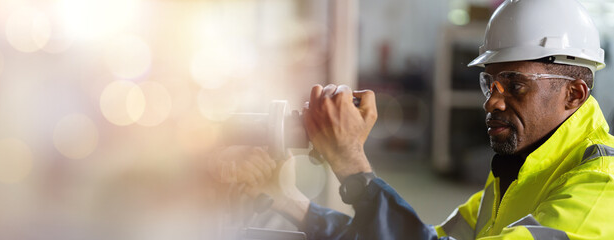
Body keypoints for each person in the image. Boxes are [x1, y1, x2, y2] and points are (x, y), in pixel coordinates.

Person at [219, 0, 614, 239]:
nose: (492, 102)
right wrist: (289, 201)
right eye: (489, 83)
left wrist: (351, 165)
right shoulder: (515, 178)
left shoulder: (599, 196)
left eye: (514, 84)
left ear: (573, 95)